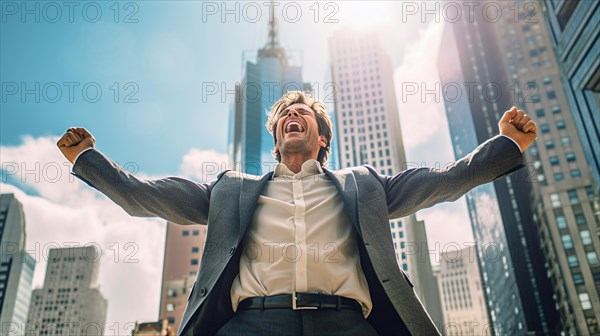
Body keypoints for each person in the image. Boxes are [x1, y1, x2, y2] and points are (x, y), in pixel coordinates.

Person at [57, 91, 536, 336]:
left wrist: (507, 146)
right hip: (252, 325)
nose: (293, 114)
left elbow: (444, 180)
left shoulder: (364, 184)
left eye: (303, 111)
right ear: (276, 138)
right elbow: (147, 195)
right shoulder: (231, 190)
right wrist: (88, 161)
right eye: (286, 114)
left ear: (321, 136)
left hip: (348, 325)